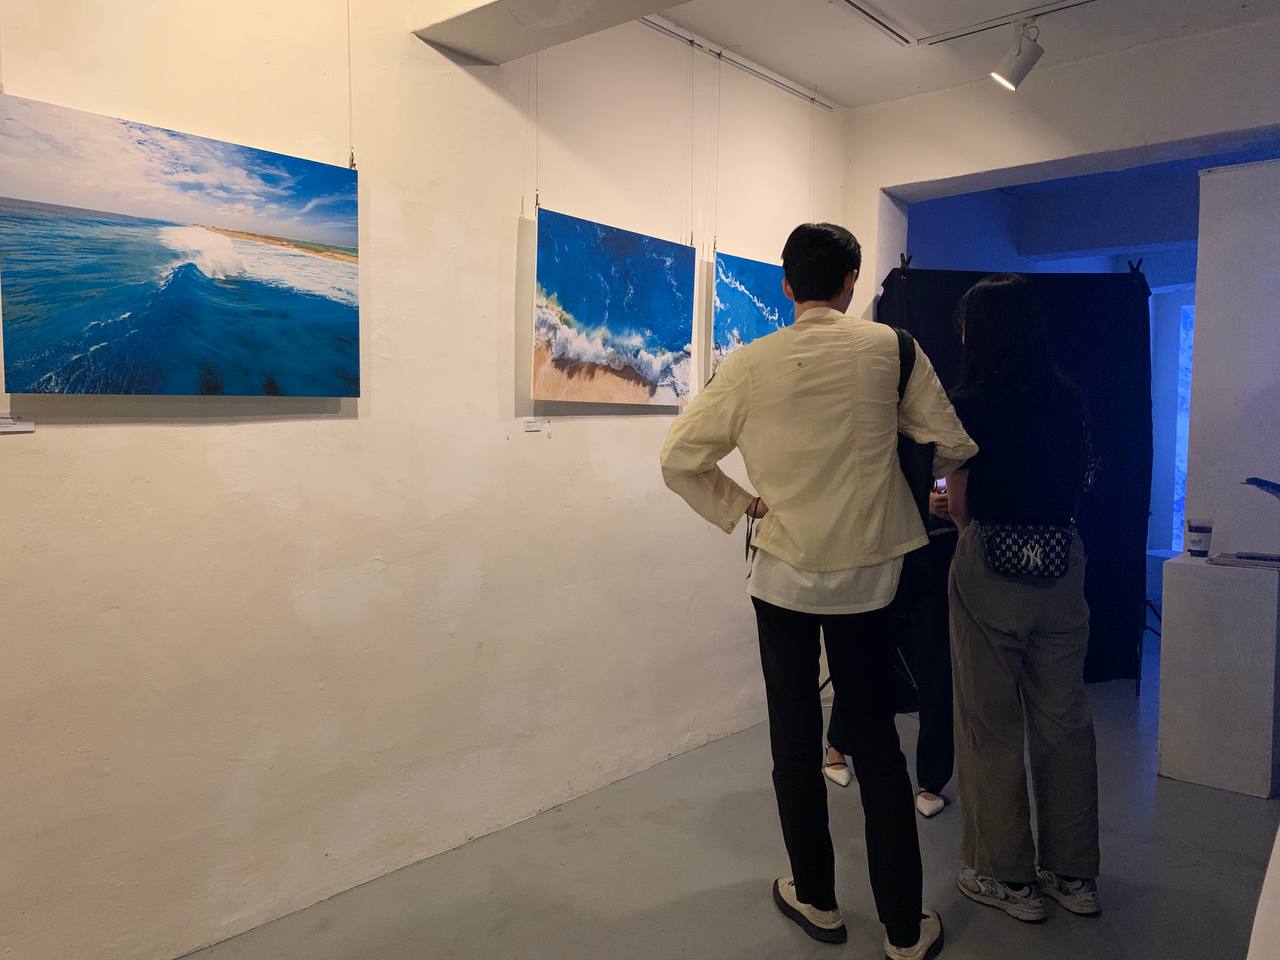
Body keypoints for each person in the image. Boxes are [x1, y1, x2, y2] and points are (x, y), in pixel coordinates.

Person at [660, 223, 976, 960]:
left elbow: (679, 458)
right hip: (871, 575)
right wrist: (916, 481)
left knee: (793, 740)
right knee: (878, 744)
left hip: (783, 575)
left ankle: (818, 899)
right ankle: (904, 930)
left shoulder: (750, 362)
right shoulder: (893, 350)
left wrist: (744, 505)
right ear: (851, 281)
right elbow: (952, 444)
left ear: (786, 285)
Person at [945, 273, 1101, 923]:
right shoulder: (1069, 397)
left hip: (992, 564)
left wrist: (969, 528)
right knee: (1064, 720)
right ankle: (1074, 875)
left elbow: (957, 502)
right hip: (1062, 563)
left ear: (980, 332)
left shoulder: (969, 401)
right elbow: (1082, 479)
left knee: (991, 722)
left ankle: (1009, 879)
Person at [824, 486, 957, 821]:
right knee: (865, 655)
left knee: (937, 664)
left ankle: (932, 779)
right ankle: (837, 743)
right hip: (887, 550)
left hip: (940, 551)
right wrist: (921, 501)